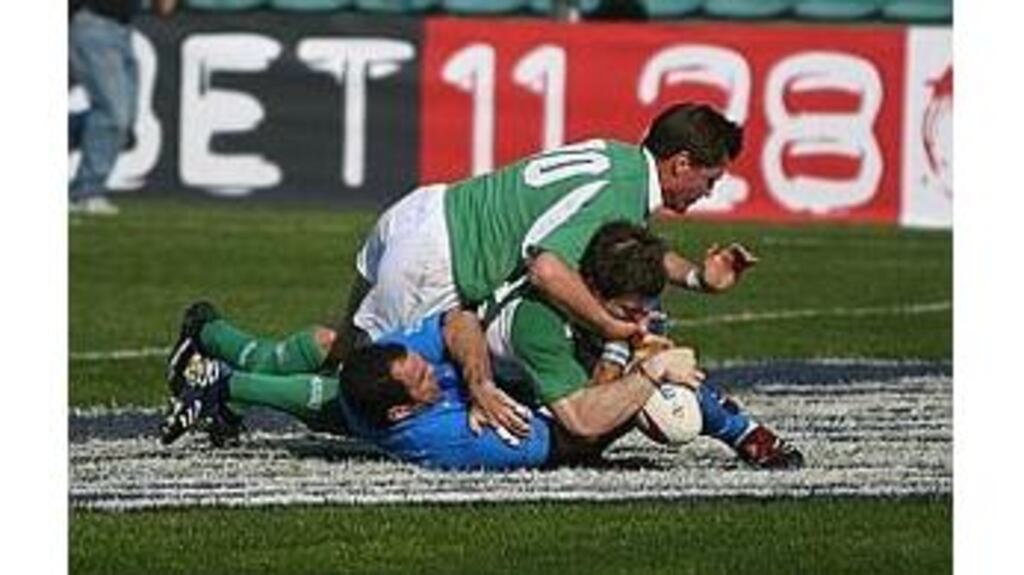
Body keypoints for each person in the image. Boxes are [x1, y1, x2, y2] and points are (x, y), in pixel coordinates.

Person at [160, 223, 800, 469]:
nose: (640, 317)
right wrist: (640, 366)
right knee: (333, 398)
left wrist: (479, 378)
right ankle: (222, 382)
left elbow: (455, 321)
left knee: (334, 342)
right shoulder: (530, 341)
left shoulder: (597, 283)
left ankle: (212, 336)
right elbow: (576, 431)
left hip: (464, 351)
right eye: (630, 309)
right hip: (463, 397)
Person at [330, 102, 755, 372]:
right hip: (438, 260)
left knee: (344, 351)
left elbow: (635, 250)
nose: (709, 193)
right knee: (368, 391)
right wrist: (611, 326)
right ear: (681, 164)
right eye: (710, 180)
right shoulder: (621, 194)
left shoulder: (620, 159)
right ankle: (262, 378)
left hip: (425, 210)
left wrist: (699, 277)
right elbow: (546, 269)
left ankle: (277, 364)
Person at [68, 0, 177, 215]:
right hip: (92, 22)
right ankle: (86, 193)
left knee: (124, 122)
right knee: (113, 115)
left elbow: (164, 8)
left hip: (122, 29)